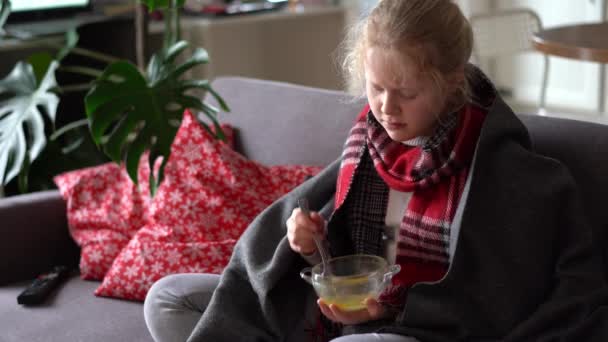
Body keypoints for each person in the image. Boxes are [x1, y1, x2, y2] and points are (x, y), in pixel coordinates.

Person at [144, 1, 608, 341]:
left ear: (451, 83)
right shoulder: (367, 146)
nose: (386, 108)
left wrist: (388, 309)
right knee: (169, 300)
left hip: (418, 331)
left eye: (405, 92)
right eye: (376, 87)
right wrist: (309, 245)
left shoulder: (500, 170)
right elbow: (347, 256)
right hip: (334, 316)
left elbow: (491, 301)